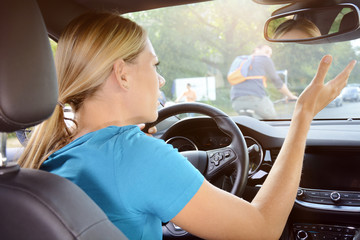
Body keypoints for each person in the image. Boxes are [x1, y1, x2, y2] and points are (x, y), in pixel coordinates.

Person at [17, 11, 356, 240]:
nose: (161, 78)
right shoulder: (135, 155)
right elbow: (262, 230)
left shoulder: (52, 153)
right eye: (155, 64)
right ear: (122, 74)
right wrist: (302, 117)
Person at [230, 44, 298, 119]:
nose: (268, 56)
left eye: (270, 54)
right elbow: (277, 82)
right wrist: (290, 96)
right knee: (273, 121)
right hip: (255, 100)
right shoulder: (264, 59)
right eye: (267, 52)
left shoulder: (240, 60)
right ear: (256, 50)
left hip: (236, 101)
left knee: (250, 126)